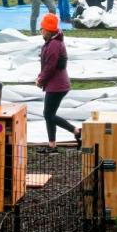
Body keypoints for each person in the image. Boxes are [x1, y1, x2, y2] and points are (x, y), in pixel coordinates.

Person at [36, 13, 81, 154]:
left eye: (42, 28)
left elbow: (50, 67)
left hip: (57, 86)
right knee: (49, 114)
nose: (41, 31)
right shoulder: (52, 41)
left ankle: (76, 131)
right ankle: (52, 146)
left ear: (48, 30)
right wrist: (40, 77)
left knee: (48, 115)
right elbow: (46, 66)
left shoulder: (54, 45)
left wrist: (40, 80)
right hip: (56, 84)